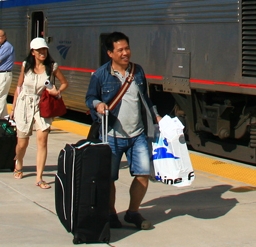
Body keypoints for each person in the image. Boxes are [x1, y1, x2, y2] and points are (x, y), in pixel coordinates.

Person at [85, 31, 161, 231]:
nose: (125, 53)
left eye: (127, 48)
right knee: (109, 178)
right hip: (111, 136)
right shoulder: (101, 75)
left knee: (143, 174)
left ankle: (132, 212)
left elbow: (145, 98)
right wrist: (98, 104)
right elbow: (89, 98)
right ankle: (111, 213)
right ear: (110, 53)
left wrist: (156, 116)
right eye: (120, 50)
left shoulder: (138, 71)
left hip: (137, 135)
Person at [13, 37, 68, 186]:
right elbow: (19, 86)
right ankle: (19, 162)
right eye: (39, 50)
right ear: (33, 52)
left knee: (42, 141)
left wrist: (56, 92)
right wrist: (13, 107)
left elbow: (64, 83)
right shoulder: (26, 65)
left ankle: (39, 178)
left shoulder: (52, 66)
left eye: (44, 49)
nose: (42, 52)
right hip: (24, 103)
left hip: (42, 104)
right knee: (22, 143)